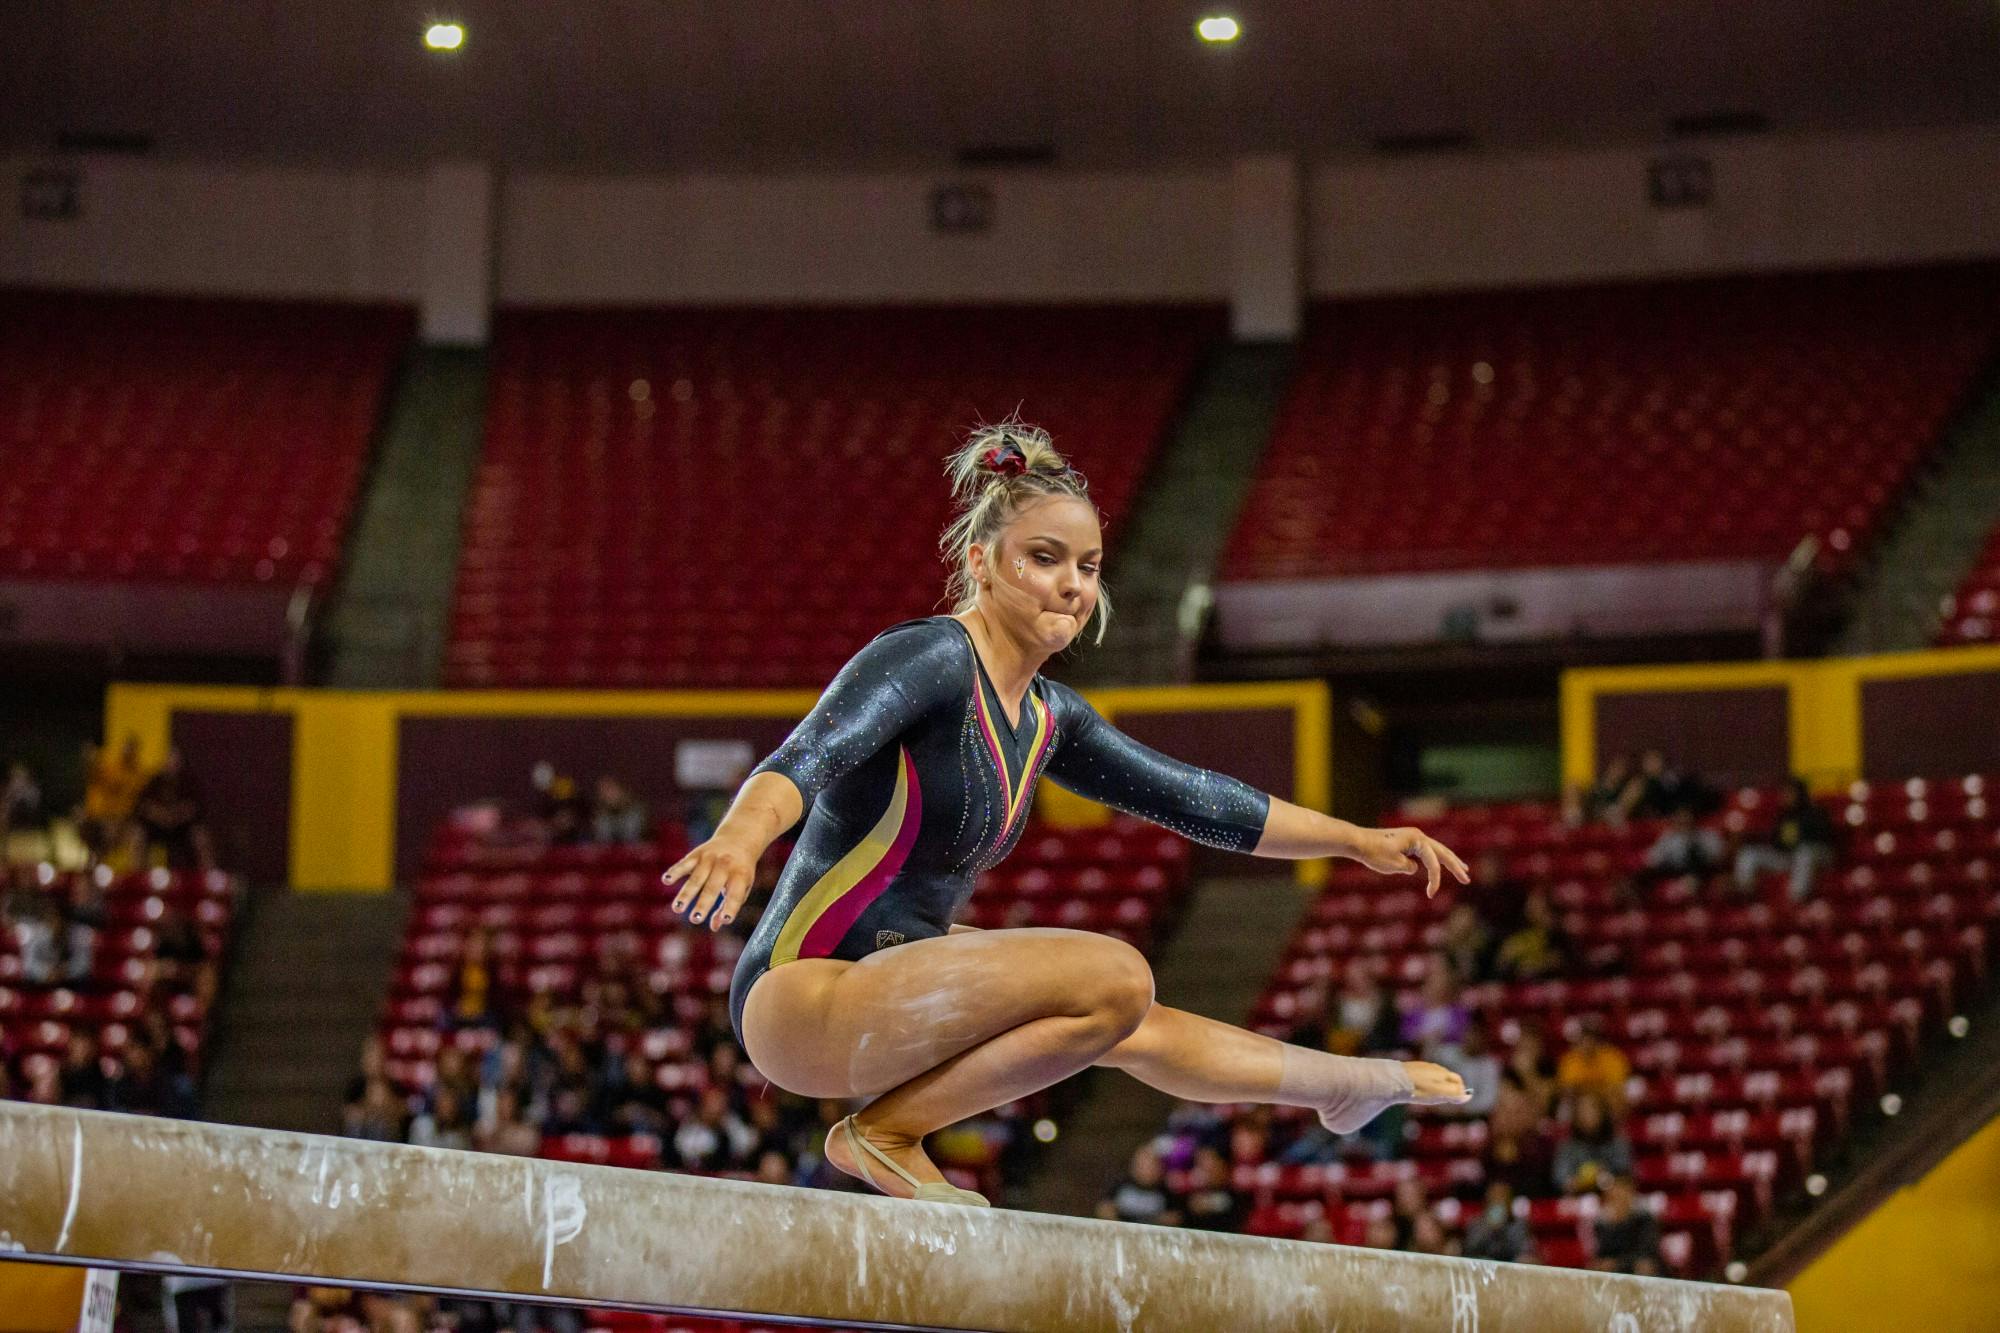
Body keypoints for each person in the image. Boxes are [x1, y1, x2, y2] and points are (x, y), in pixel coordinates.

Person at [664, 424, 1472, 1205]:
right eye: (1045, 558)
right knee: (1113, 975)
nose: (1073, 584)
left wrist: (1358, 839)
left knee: (1129, 1020)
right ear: (982, 563)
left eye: (1087, 565)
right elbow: (807, 756)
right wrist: (739, 838)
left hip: (898, 978)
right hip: (801, 995)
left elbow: (1199, 799)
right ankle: (886, 1132)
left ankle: (1347, 1086)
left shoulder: (1050, 717)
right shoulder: (931, 656)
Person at [1733, 777, 1837, 903]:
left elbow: (1824, 840)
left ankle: (1796, 899)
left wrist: (1801, 839)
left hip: (1816, 856)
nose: (1786, 797)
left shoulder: (1816, 812)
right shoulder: (1784, 815)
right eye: (1785, 793)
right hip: (1788, 857)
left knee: (1804, 853)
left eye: (1790, 793)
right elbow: (1777, 842)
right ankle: (1744, 892)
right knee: (1749, 853)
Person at [133, 749, 215, 871]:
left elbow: (194, 807)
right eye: (168, 761)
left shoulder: (189, 782)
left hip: (182, 827)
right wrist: (160, 815)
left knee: (200, 837)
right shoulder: (154, 782)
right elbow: (144, 806)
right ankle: (138, 877)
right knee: (137, 835)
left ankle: (208, 878)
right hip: (157, 827)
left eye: (174, 762)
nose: (171, 765)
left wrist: (176, 815)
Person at [1553, 1091, 1633, 1195]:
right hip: (1578, 1200)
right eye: (1582, 1110)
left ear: (1602, 1111)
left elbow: (1625, 1177)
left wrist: (1605, 1178)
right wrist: (1584, 1181)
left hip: (1612, 1198)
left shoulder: (1617, 1143)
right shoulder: (1567, 1146)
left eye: (1591, 1109)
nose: (1586, 1115)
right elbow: (1561, 1180)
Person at [1556, 1016, 1632, 1116]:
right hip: (1580, 1103)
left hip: (1605, 1102)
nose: (1587, 1043)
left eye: (1591, 1038)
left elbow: (1616, 1088)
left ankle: (1616, 1129)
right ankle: (1565, 1129)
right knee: (1566, 1103)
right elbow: (1567, 1089)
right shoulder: (1570, 1059)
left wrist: (1591, 1092)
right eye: (1584, 1038)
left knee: (1618, 1098)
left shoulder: (1612, 1056)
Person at [1096, 1142, 1184, 1226]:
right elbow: (1103, 1208)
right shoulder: (1121, 1185)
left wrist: (1157, 1220)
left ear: (1160, 1167)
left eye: (1151, 1164)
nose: (1147, 1169)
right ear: (1134, 1165)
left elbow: (1175, 1218)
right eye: (1142, 1164)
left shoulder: (1166, 1191)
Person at [1590, 1175, 1662, 1276]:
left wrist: (1617, 1263)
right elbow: (1601, 1253)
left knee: (1645, 1265)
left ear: (1631, 1194)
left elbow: (1647, 1251)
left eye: (1622, 1193)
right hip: (1616, 1269)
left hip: (1638, 1265)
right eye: (1614, 1196)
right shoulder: (1603, 1224)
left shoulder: (1644, 1219)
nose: (1619, 1198)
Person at [1493, 888, 1569, 981]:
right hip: (1518, 986)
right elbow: (1502, 964)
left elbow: (1560, 961)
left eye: (1539, 905)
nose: (1533, 908)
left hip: (1549, 984)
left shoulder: (1557, 933)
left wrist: (1538, 965)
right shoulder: (1515, 929)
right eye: (1531, 904)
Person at [1462, 1180, 1535, 1262]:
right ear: (1487, 1199)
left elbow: (1521, 1250)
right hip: (1481, 1264)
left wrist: (1502, 1229)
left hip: (1510, 1265)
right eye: (1494, 1196)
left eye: (1502, 1196)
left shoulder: (1519, 1224)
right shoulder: (1476, 1222)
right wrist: (1489, 1228)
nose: (1498, 1201)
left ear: (1509, 1201)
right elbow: (1470, 1249)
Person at [589, 776, 650, 845]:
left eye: (610, 789)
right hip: (609, 853)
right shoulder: (600, 815)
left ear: (620, 790)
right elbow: (601, 841)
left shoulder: (636, 810)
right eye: (602, 791)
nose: (606, 795)